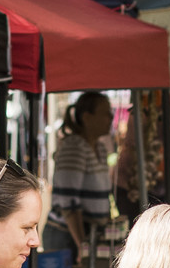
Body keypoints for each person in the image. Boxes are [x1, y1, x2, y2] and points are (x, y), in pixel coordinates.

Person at [49, 91, 119, 255]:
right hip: (68, 238)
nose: (111, 118)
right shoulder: (74, 146)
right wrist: (82, 247)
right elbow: (69, 204)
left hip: (89, 236)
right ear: (87, 117)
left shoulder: (100, 148)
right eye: (105, 113)